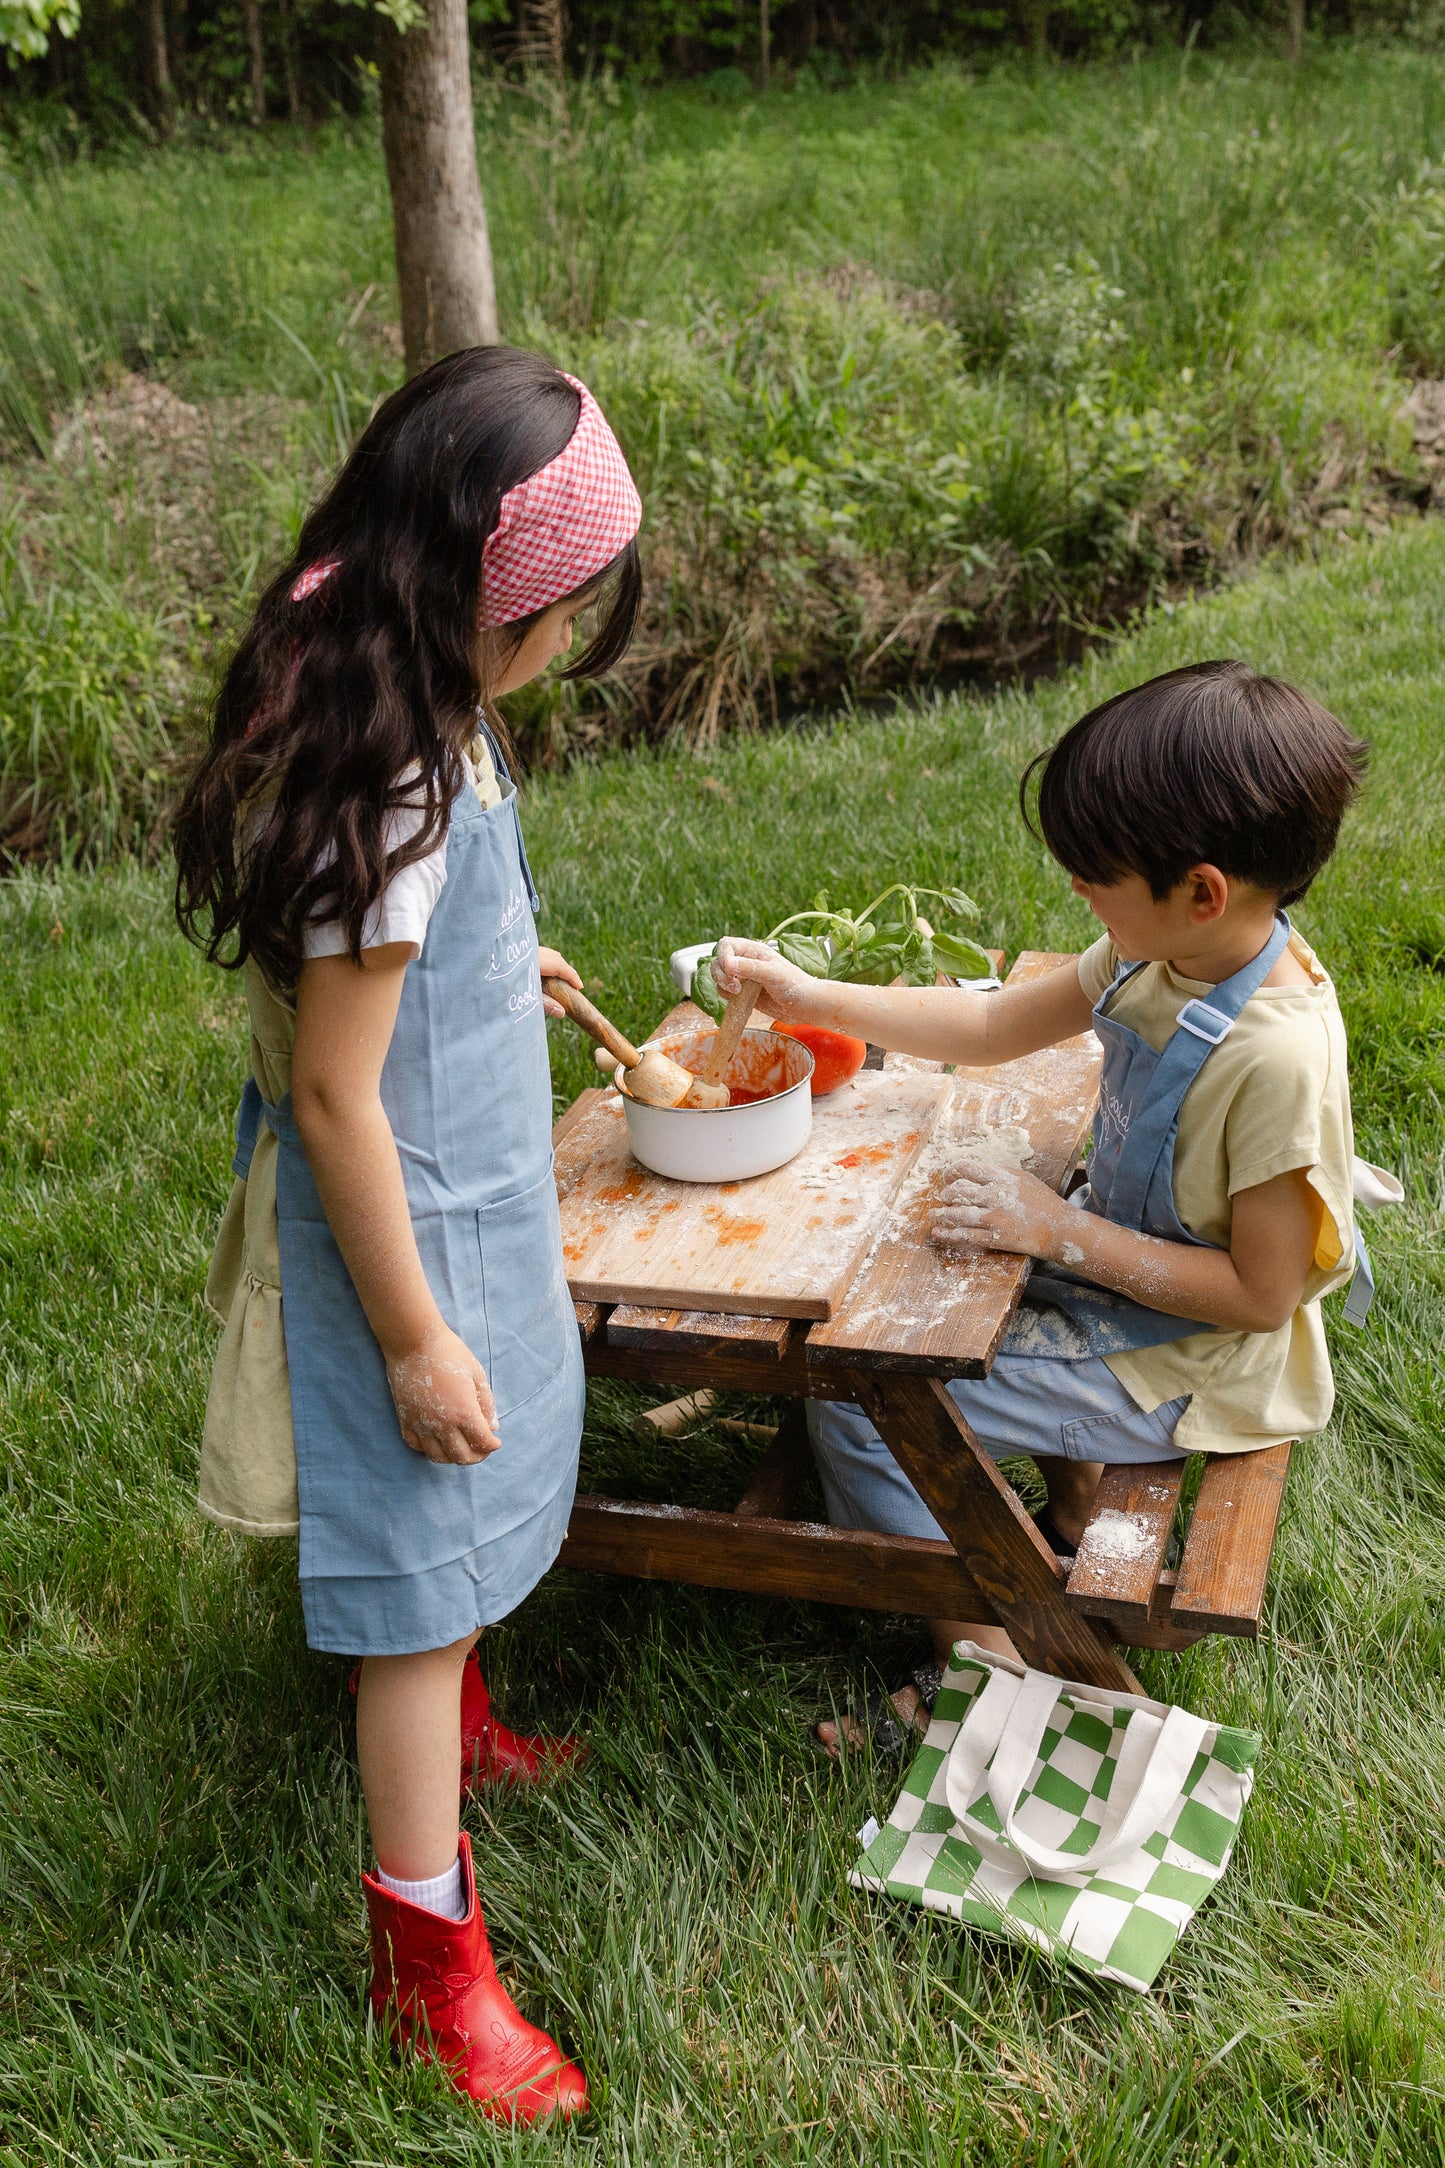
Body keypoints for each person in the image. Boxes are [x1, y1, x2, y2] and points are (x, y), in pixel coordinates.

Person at [173, 347, 643, 2121]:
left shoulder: (397, 678)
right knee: (418, 1587)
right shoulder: (395, 780)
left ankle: (457, 1722)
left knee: (472, 1518)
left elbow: (376, 954)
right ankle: (425, 1960)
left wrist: (492, 960)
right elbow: (336, 1098)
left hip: (468, 1179)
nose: (570, 648)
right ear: (488, 605)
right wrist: (413, 1337)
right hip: (403, 1219)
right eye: (563, 617)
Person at [715, 661, 1372, 1756]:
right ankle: (1068, 1516)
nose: (1074, 888)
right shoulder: (1156, 953)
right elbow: (990, 1027)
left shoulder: (1274, 1061)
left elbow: (1259, 1296)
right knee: (926, 1277)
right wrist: (810, 994)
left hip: (1194, 1358)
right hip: (1127, 1284)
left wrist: (1050, 1227)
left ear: (1200, 888)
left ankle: (986, 1666)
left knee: (866, 1402)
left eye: (1091, 872)